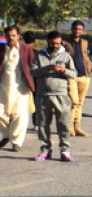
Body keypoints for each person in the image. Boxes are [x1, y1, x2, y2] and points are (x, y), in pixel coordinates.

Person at [32, 30, 77, 161]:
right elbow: (33, 72)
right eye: (52, 43)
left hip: (61, 95)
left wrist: (64, 70)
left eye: (57, 43)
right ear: (48, 42)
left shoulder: (66, 56)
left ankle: (65, 150)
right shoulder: (39, 55)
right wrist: (48, 68)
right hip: (43, 94)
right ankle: (45, 150)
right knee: (43, 124)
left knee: (63, 124)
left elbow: (74, 73)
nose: (55, 46)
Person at [0, 24, 36, 152]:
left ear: (19, 36)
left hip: (21, 88)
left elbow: (34, 65)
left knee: (20, 115)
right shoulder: (1, 49)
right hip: (3, 87)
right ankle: (6, 135)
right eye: (8, 36)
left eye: (14, 35)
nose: (11, 38)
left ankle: (16, 141)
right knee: (0, 114)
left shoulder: (26, 49)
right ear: (5, 36)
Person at [62, 20, 92, 137]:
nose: (77, 31)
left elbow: (86, 56)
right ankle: (69, 126)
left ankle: (77, 126)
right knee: (73, 102)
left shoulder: (84, 42)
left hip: (84, 76)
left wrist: (88, 69)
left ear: (82, 31)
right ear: (72, 29)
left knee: (80, 103)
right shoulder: (65, 43)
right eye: (75, 29)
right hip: (71, 76)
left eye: (80, 29)